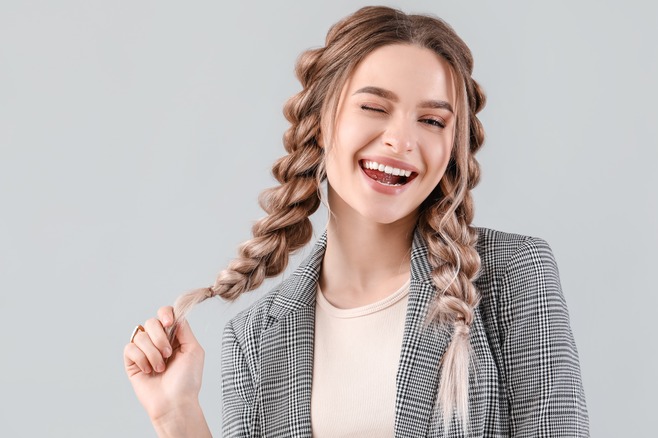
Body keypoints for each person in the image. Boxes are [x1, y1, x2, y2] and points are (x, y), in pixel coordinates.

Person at [123, 6, 589, 437]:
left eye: (431, 121)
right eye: (374, 107)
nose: (401, 141)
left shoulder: (513, 274)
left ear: (453, 148)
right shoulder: (257, 336)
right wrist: (176, 414)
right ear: (321, 123)